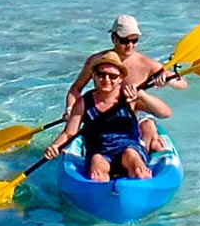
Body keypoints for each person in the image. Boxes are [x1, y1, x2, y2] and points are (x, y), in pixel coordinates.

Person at [45, 52, 171, 181]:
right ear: (94, 75)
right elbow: (69, 133)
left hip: (129, 147)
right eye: (101, 75)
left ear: (120, 78)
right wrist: (55, 146)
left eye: (112, 76)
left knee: (135, 162)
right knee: (97, 169)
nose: (106, 80)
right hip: (99, 151)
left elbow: (165, 113)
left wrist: (142, 94)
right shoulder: (83, 102)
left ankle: (138, 188)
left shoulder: (130, 99)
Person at [66, 15, 184, 153]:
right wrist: (70, 109)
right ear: (114, 38)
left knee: (150, 131)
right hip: (101, 116)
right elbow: (76, 89)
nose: (130, 45)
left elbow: (182, 83)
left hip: (134, 116)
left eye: (134, 41)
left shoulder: (146, 64)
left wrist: (167, 80)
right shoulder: (97, 61)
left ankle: (141, 157)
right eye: (124, 41)